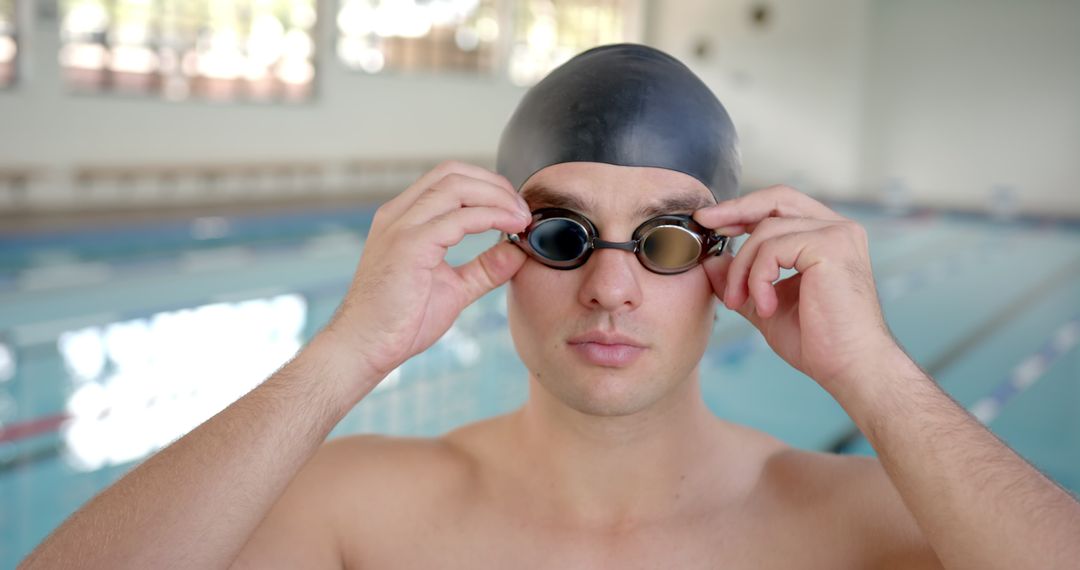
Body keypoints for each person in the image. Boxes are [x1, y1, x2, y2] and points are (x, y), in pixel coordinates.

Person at [21, 44, 1080, 570]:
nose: (610, 286)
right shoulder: (362, 514)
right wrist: (345, 352)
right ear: (504, 251)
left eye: (664, 242)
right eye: (563, 236)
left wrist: (879, 377)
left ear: (725, 263)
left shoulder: (857, 525)